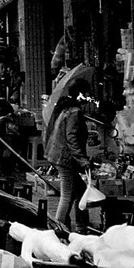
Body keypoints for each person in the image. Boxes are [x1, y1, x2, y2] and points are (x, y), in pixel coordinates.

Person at [45, 77, 92, 234]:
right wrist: (82, 159)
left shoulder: (66, 108)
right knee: (67, 195)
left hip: (58, 155)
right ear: (80, 94)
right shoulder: (74, 112)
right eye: (86, 93)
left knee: (80, 190)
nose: (88, 95)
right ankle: (58, 230)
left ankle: (81, 227)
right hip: (65, 158)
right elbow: (71, 137)